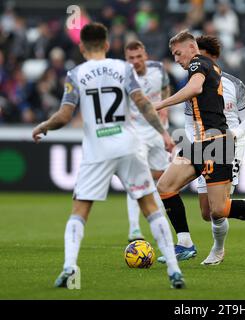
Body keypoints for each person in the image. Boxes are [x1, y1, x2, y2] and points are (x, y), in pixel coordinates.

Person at [31, 23, 185, 289]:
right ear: (106, 44)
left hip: (97, 150)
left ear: (81, 47)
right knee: (149, 206)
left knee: (80, 211)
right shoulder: (123, 69)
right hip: (128, 144)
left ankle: (69, 267)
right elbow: (143, 104)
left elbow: (65, 116)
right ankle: (174, 270)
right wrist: (164, 133)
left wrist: (44, 125)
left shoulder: (75, 74)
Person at [153, 30, 245, 265]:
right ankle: (185, 243)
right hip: (199, 144)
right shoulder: (206, 70)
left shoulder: (198, 64)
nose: (176, 59)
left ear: (192, 48)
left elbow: (196, 88)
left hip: (216, 144)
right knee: (166, 186)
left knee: (217, 210)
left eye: (178, 53)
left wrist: (158, 104)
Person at [124, 40, 171, 242]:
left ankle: (161, 224)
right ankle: (134, 229)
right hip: (137, 133)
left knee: (163, 179)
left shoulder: (158, 68)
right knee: (137, 178)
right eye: (131, 58)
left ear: (146, 55)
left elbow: (166, 88)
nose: (135, 61)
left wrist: (165, 108)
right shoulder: (124, 75)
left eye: (138, 56)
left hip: (160, 132)